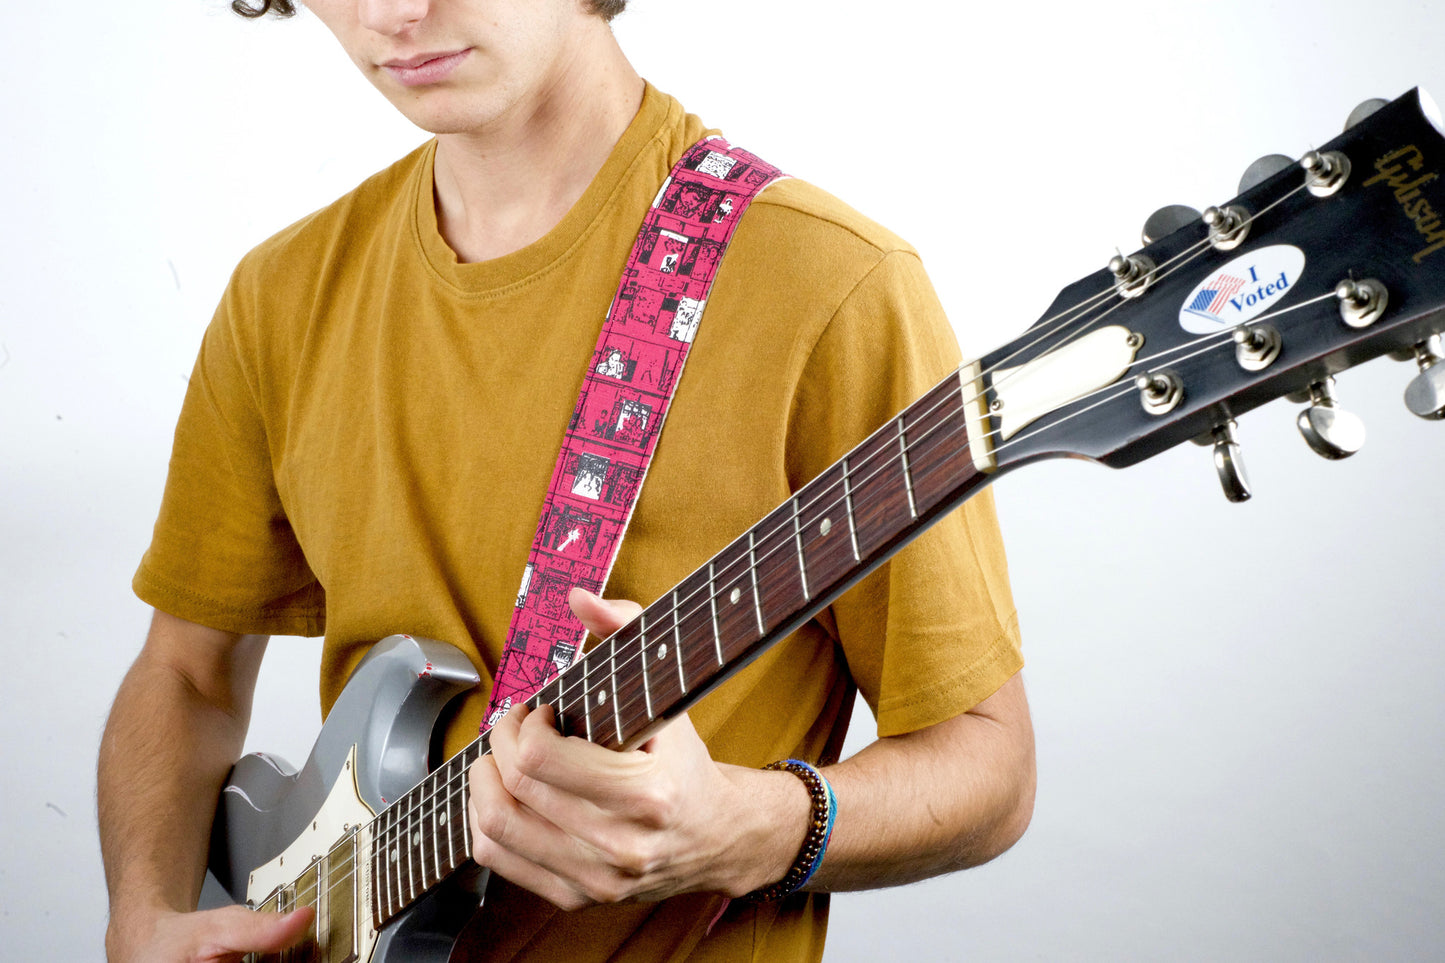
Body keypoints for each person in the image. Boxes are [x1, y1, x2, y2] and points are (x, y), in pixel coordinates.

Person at [96, 1, 1036, 960]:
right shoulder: (281, 297)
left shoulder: (833, 288)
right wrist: (141, 916)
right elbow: (186, 671)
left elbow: (990, 767)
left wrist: (748, 828)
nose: (395, 12)